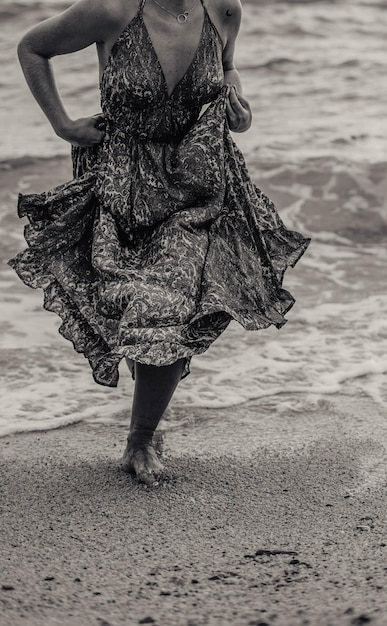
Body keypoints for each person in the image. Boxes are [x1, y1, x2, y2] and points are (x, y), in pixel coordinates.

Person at [9, 0, 310, 486]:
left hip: (200, 185)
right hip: (122, 183)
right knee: (137, 309)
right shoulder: (110, 11)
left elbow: (229, 68)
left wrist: (241, 111)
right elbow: (32, 48)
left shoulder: (224, 12)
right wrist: (62, 124)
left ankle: (140, 439)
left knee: (169, 303)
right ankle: (148, 420)